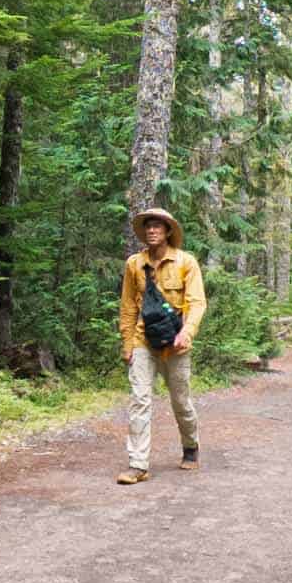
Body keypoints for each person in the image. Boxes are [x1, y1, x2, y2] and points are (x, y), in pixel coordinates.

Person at [117, 205, 204, 484]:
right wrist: (127, 343)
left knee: (181, 401)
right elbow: (129, 306)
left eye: (158, 226)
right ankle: (138, 464)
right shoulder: (134, 264)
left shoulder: (185, 262)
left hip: (176, 343)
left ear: (168, 231)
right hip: (144, 340)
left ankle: (190, 446)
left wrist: (187, 333)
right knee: (140, 399)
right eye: (148, 226)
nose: (152, 230)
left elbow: (197, 302)